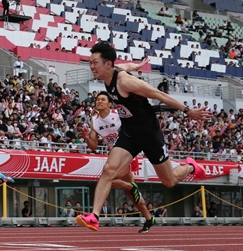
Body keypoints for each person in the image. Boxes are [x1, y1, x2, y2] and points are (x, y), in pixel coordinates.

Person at [77, 42, 211, 232]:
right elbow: (126, 65)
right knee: (109, 169)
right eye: (90, 62)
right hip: (130, 134)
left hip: (150, 135)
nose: (91, 66)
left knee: (169, 181)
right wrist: (136, 66)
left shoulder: (126, 82)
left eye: (94, 63)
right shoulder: (110, 73)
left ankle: (190, 167)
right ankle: (94, 217)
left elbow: (158, 94)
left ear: (108, 64)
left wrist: (188, 110)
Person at [80, 90, 156, 233]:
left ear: (110, 103)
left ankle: (128, 187)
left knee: (107, 179)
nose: (99, 102)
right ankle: (148, 217)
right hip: (114, 156)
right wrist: (87, 138)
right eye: (98, 100)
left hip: (127, 154)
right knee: (131, 193)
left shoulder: (117, 115)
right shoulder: (94, 121)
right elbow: (94, 146)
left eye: (103, 99)